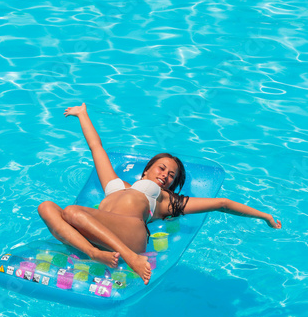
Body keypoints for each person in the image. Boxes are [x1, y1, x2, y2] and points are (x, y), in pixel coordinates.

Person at [38, 103, 282, 285]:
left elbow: (222, 203)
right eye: (162, 168)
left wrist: (265, 216)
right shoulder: (114, 184)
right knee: (46, 207)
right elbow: (96, 147)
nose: (166, 175)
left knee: (71, 211)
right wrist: (82, 115)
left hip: (130, 237)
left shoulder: (164, 199)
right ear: (146, 170)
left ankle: (131, 258)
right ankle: (94, 253)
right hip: (95, 234)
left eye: (172, 176)